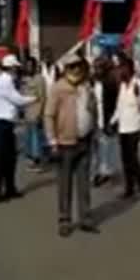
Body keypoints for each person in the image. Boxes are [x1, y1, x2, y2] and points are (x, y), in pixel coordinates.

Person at [45, 54, 98, 237]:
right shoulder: (58, 88)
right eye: (72, 66)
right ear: (66, 68)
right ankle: (64, 219)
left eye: (79, 66)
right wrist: (52, 141)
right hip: (65, 143)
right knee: (65, 183)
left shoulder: (86, 86)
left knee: (84, 183)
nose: (76, 69)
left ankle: (85, 218)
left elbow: (92, 109)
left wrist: (95, 129)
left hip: (85, 140)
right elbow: (49, 115)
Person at [0, 54, 37, 203]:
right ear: (10, 67)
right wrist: (35, 98)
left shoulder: (8, 79)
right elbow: (17, 100)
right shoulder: (5, 80)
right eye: (15, 67)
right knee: (1, 159)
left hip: (6, 123)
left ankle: (10, 188)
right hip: (0, 122)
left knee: (10, 158)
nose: (17, 69)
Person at [111, 56, 140, 199]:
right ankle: (129, 188)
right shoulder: (121, 86)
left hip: (134, 126)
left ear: (130, 69)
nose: (121, 71)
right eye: (120, 68)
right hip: (123, 127)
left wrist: (138, 97)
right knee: (125, 159)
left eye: (123, 68)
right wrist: (112, 121)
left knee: (133, 158)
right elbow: (119, 107)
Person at [92, 56, 119, 186]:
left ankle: (105, 172)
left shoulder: (110, 83)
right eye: (95, 68)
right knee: (96, 148)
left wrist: (111, 122)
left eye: (98, 68)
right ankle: (98, 171)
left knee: (106, 147)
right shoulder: (92, 82)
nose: (96, 70)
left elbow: (114, 104)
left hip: (106, 118)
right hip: (94, 118)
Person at [22, 57, 46, 171]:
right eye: (27, 65)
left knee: (36, 138)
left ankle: (38, 161)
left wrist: (40, 113)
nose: (29, 67)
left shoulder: (39, 79)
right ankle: (30, 159)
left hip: (36, 112)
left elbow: (42, 97)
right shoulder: (24, 79)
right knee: (28, 138)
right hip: (27, 113)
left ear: (35, 66)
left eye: (31, 65)